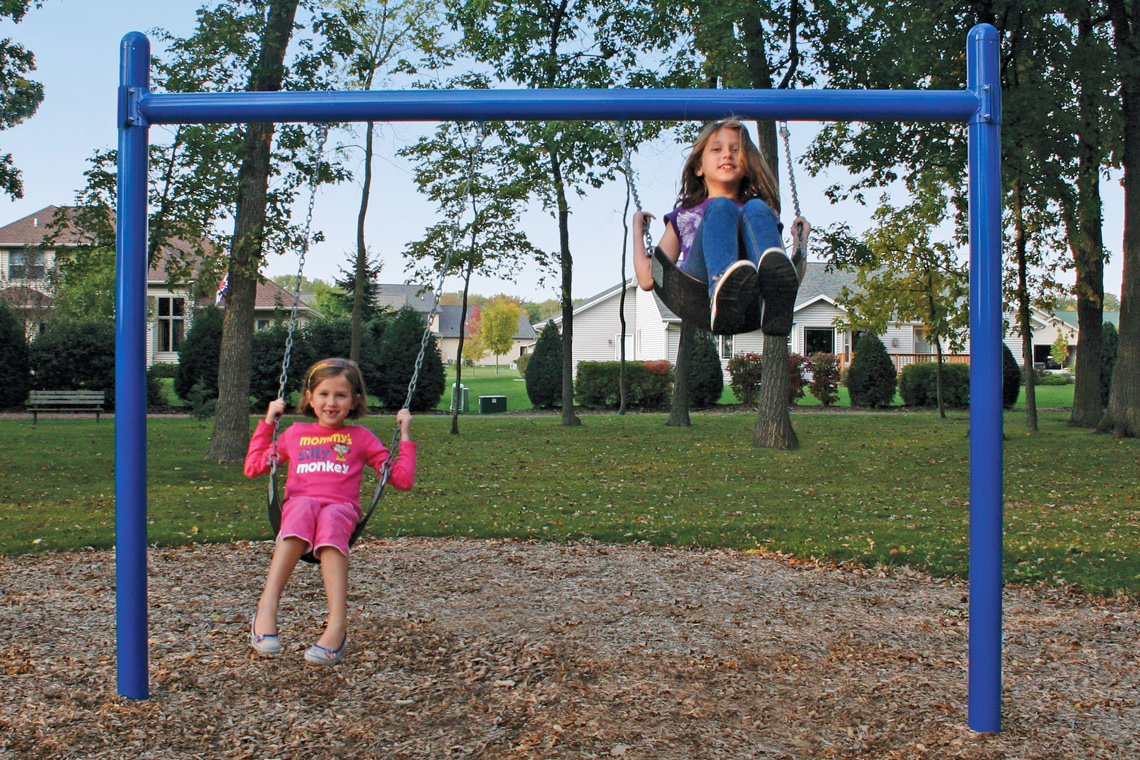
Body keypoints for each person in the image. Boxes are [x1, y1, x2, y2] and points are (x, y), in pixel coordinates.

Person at [243, 358, 416, 665]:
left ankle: (337, 627)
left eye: (340, 395)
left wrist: (405, 435)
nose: (331, 403)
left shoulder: (361, 438)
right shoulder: (295, 433)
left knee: (333, 516)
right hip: (301, 509)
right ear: (310, 397)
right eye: (323, 394)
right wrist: (268, 422)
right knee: (303, 506)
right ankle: (266, 609)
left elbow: (401, 480)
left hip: (340, 511)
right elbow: (253, 467)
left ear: (355, 401)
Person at [631, 117, 810, 336]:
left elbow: (788, 275)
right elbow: (647, 279)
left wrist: (801, 244)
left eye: (736, 150)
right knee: (721, 207)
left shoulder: (761, 214)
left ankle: (771, 303)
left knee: (756, 208)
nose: (727, 154)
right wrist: (638, 233)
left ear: (747, 164)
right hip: (697, 291)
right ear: (698, 167)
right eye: (717, 149)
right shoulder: (683, 215)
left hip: (753, 296)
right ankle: (722, 290)